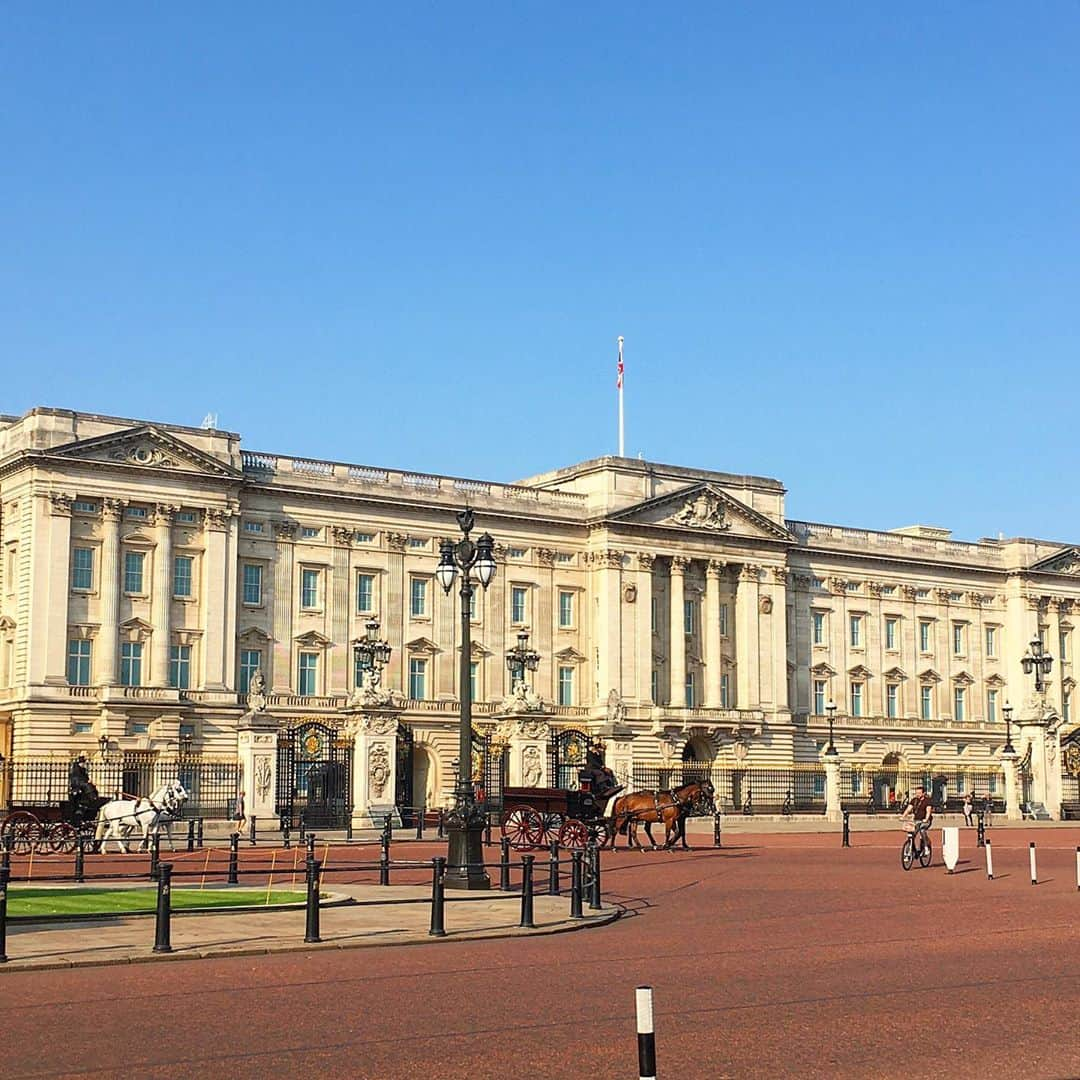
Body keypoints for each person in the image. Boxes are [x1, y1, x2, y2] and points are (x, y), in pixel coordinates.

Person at [900, 784, 934, 854]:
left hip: (924, 821)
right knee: (912, 833)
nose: (917, 795)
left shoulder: (927, 801)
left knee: (922, 830)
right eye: (916, 793)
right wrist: (903, 816)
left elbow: (928, 811)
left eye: (919, 793)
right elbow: (908, 809)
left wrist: (926, 819)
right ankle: (911, 849)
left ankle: (926, 847)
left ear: (923, 793)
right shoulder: (914, 800)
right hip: (916, 820)